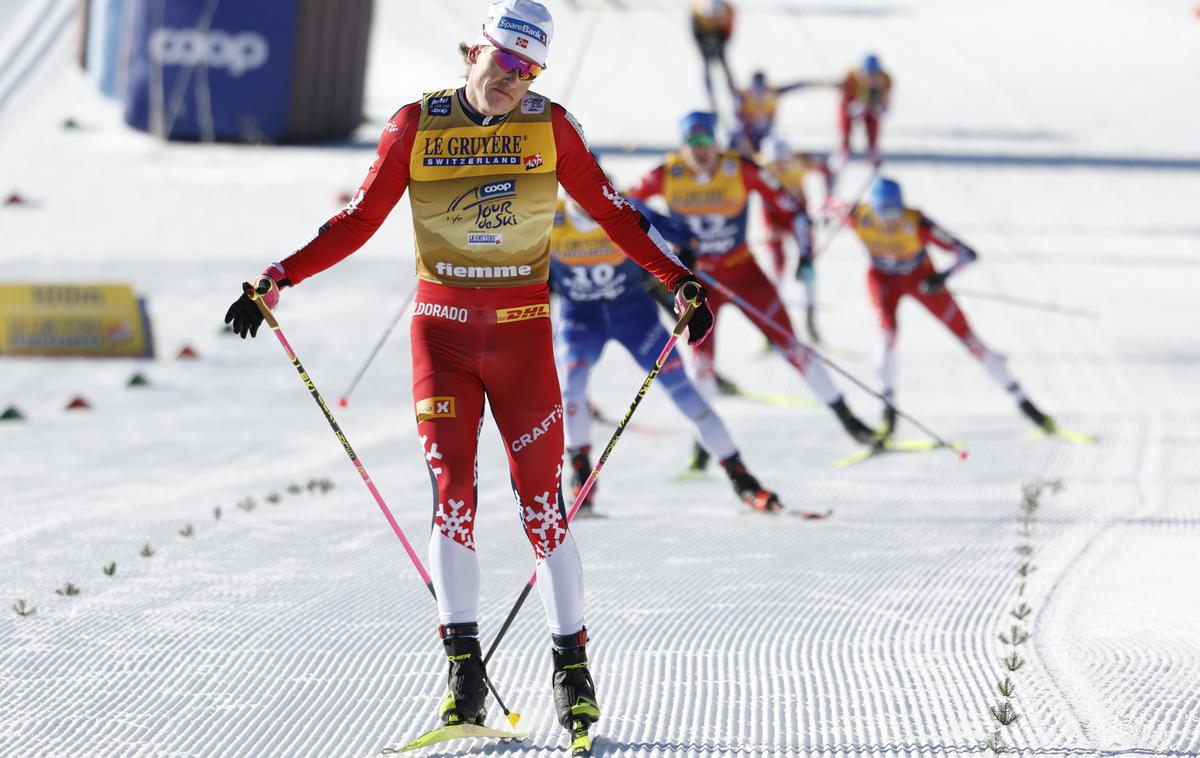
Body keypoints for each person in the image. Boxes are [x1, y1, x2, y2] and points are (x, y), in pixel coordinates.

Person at [223, 0, 715, 748]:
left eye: (527, 69)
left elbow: (615, 214)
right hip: (442, 339)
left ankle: (572, 676)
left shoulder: (551, 127)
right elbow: (357, 220)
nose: (511, 80)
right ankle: (462, 681)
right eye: (503, 61)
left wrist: (675, 281)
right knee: (453, 496)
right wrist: (277, 278)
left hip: (521, 338)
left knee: (542, 510)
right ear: (473, 52)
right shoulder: (416, 124)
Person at [627, 110, 877, 471]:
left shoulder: (740, 169)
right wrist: (651, 257)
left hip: (743, 272)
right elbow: (621, 208)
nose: (700, 150)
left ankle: (850, 420)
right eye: (693, 143)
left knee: (793, 346)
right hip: (696, 282)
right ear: (681, 147)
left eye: (706, 142)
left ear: (717, 142)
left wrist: (805, 253)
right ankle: (703, 449)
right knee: (702, 363)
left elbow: (793, 210)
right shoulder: (664, 175)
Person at [550, 194, 782, 512]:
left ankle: (743, 479)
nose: (585, 200)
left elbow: (684, 237)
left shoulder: (623, 209)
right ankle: (580, 471)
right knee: (570, 383)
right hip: (580, 318)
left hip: (634, 317)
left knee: (683, 392)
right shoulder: (549, 216)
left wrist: (681, 272)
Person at [836, 177, 1057, 437]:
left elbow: (967, 253)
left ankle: (1025, 404)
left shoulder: (916, 223)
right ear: (870, 208)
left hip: (921, 279)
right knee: (886, 338)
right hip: (883, 281)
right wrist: (820, 219)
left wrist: (942, 277)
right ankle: (888, 413)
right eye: (881, 213)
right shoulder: (857, 216)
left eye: (894, 211)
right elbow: (820, 208)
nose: (888, 221)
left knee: (969, 339)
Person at [757, 135, 833, 342]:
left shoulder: (800, 162)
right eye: (774, 163)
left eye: (784, 161)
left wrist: (825, 203)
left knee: (807, 270)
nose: (780, 167)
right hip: (773, 220)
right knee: (776, 274)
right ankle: (772, 328)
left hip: (799, 220)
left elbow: (829, 167)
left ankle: (811, 322)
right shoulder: (758, 165)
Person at [732, 70, 820, 155]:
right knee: (737, 138)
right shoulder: (743, 95)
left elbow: (794, 86)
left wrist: (815, 84)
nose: (759, 94)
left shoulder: (772, 92)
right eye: (756, 90)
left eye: (761, 90)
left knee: (775, 146)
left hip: (766, 134)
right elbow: (737, 115)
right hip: (748, 134)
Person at [838, 53, 891, 166]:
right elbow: (845, 108)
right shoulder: (851, 80)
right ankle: (844, 148)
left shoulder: (885, 82)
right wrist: (859, 106)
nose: (871, 79)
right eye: (867, 75)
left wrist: (877, 108)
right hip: (854, 105)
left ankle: (872, 149)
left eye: (874, 75)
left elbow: (885, 107)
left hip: (871, 107)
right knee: (845, 123)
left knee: (873, 121)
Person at [690, 0, 737, 114]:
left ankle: (733, 93)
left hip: (719, 36)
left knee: (724, 64)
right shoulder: (696, 12)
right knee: (706, 65)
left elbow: (729, 31)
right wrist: (701, 46)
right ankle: (710, 94)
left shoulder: (727, 11)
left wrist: (722, 43)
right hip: (704, 37)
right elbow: (694, 32)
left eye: (714, 17)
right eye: (709, 17)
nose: (712, 19)